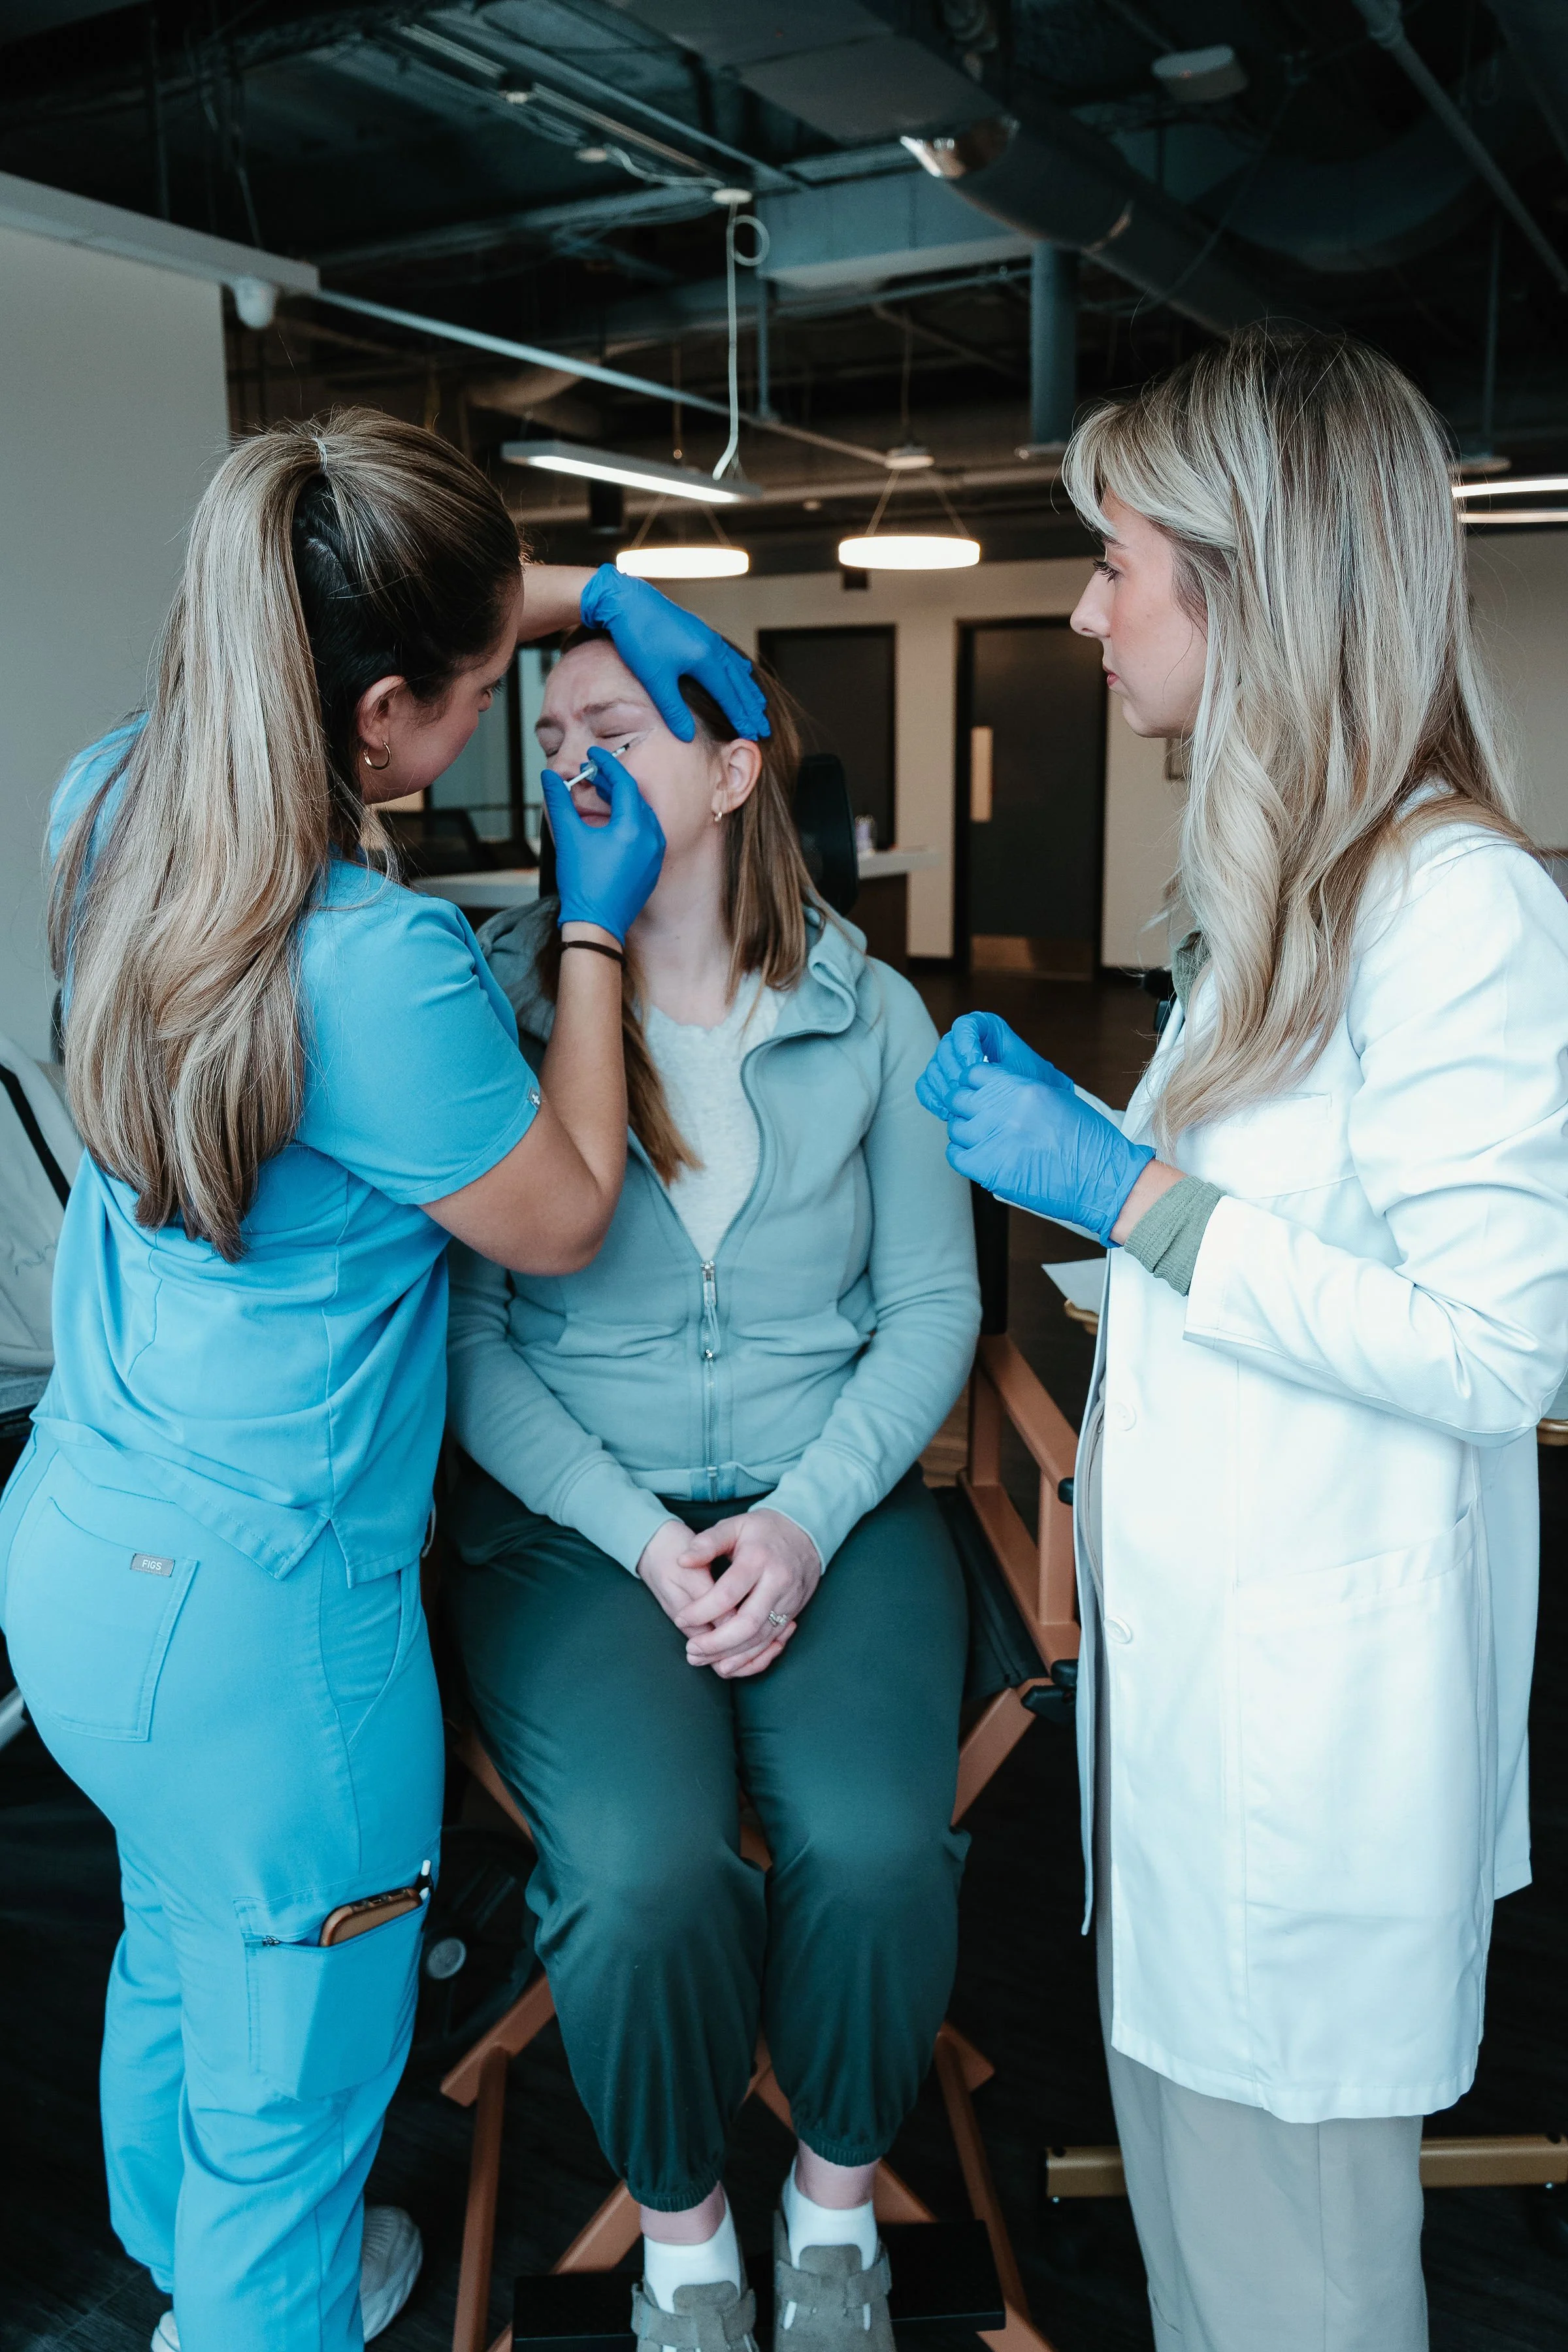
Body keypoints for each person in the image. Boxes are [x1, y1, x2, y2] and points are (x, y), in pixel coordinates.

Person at [0, 409, 766, 2352]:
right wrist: (590, 922)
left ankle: (194, 2263)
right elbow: (570, 1210)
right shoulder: (376, 963)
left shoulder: (109, 803)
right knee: (294, 2101)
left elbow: (322, 617)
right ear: (386, 718)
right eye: (492, 691)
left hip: (81, 1564)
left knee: (179, 1945)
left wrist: (583, 583)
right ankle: (253, 2306)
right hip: (268, 1655)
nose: (533, 721)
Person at [919, 326, 1568, 2351]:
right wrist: (1102, 1172)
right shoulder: (1285, 895)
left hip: (1315, 1738)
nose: (1093, 614)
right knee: (1206, 2262)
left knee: (1299, 2287)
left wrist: (1127, 1196)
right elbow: (1248, 1259)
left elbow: (1493, 1353)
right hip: (1198, 1714)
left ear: (1252, 588)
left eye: (1120, 565)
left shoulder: (1455, 905)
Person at [444, 627, 981, 2352]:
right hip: (583, 1531)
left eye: (611, 726)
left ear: (735, 769)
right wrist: (645, 1543)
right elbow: (474, 1344)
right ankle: (686, 2249)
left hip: (833, 1508)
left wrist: (810, 1518)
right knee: (643, 1872)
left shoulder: (871, 1010)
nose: (568, 765)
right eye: (547, 740)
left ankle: (835, 2225)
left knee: (884, 1845)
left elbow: (933, 1307)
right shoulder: (500, 1008)